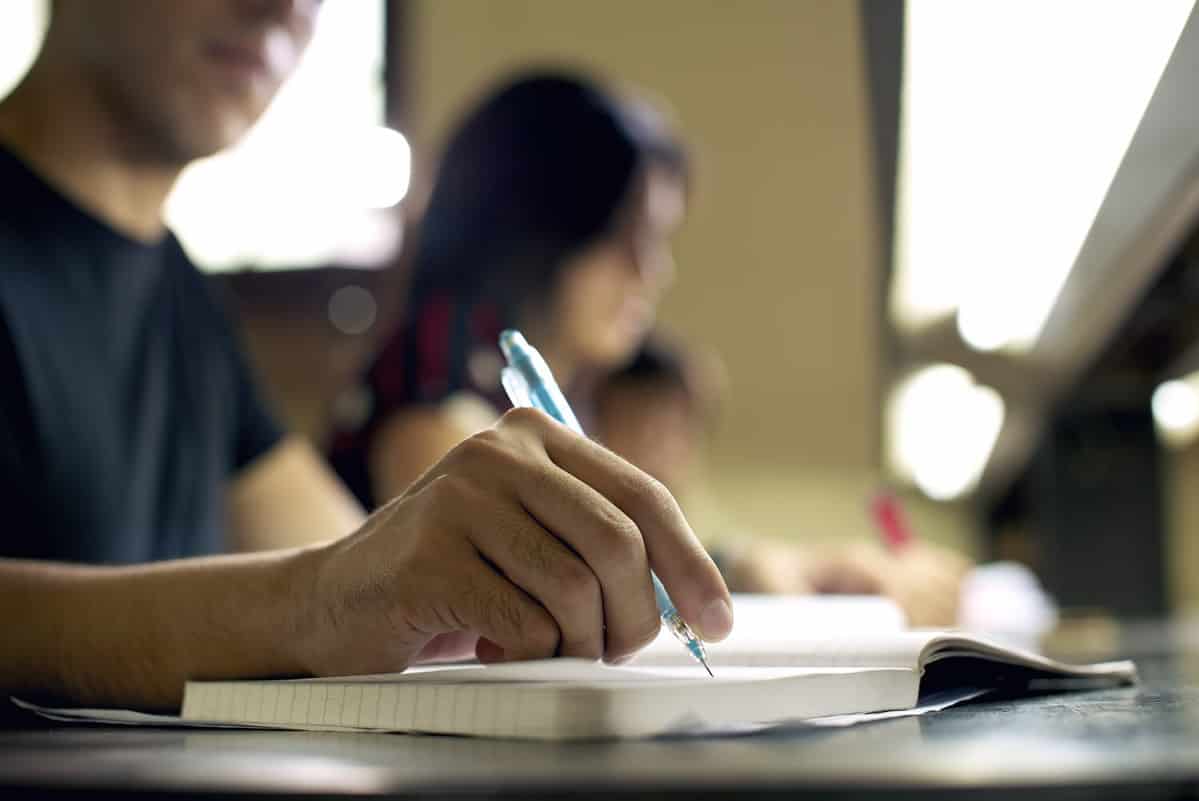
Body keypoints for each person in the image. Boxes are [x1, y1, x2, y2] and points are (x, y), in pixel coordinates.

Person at [0, 0, 731, 713]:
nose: (284, 8)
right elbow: (326, 589)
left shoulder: (178, 295)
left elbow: (352, 560)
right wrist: (320, 597)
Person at [330, 72, 688, 508]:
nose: (651, 270)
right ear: (540, 232)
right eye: (624, 237)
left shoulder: (557, 394)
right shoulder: (439, 406)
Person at [593, 335, 971, 627]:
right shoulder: (588, 531)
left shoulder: (707, 535)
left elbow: (723, 558)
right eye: (636, 424)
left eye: (675, 429)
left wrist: (819, 566)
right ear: (595, 425)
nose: (658, 448)